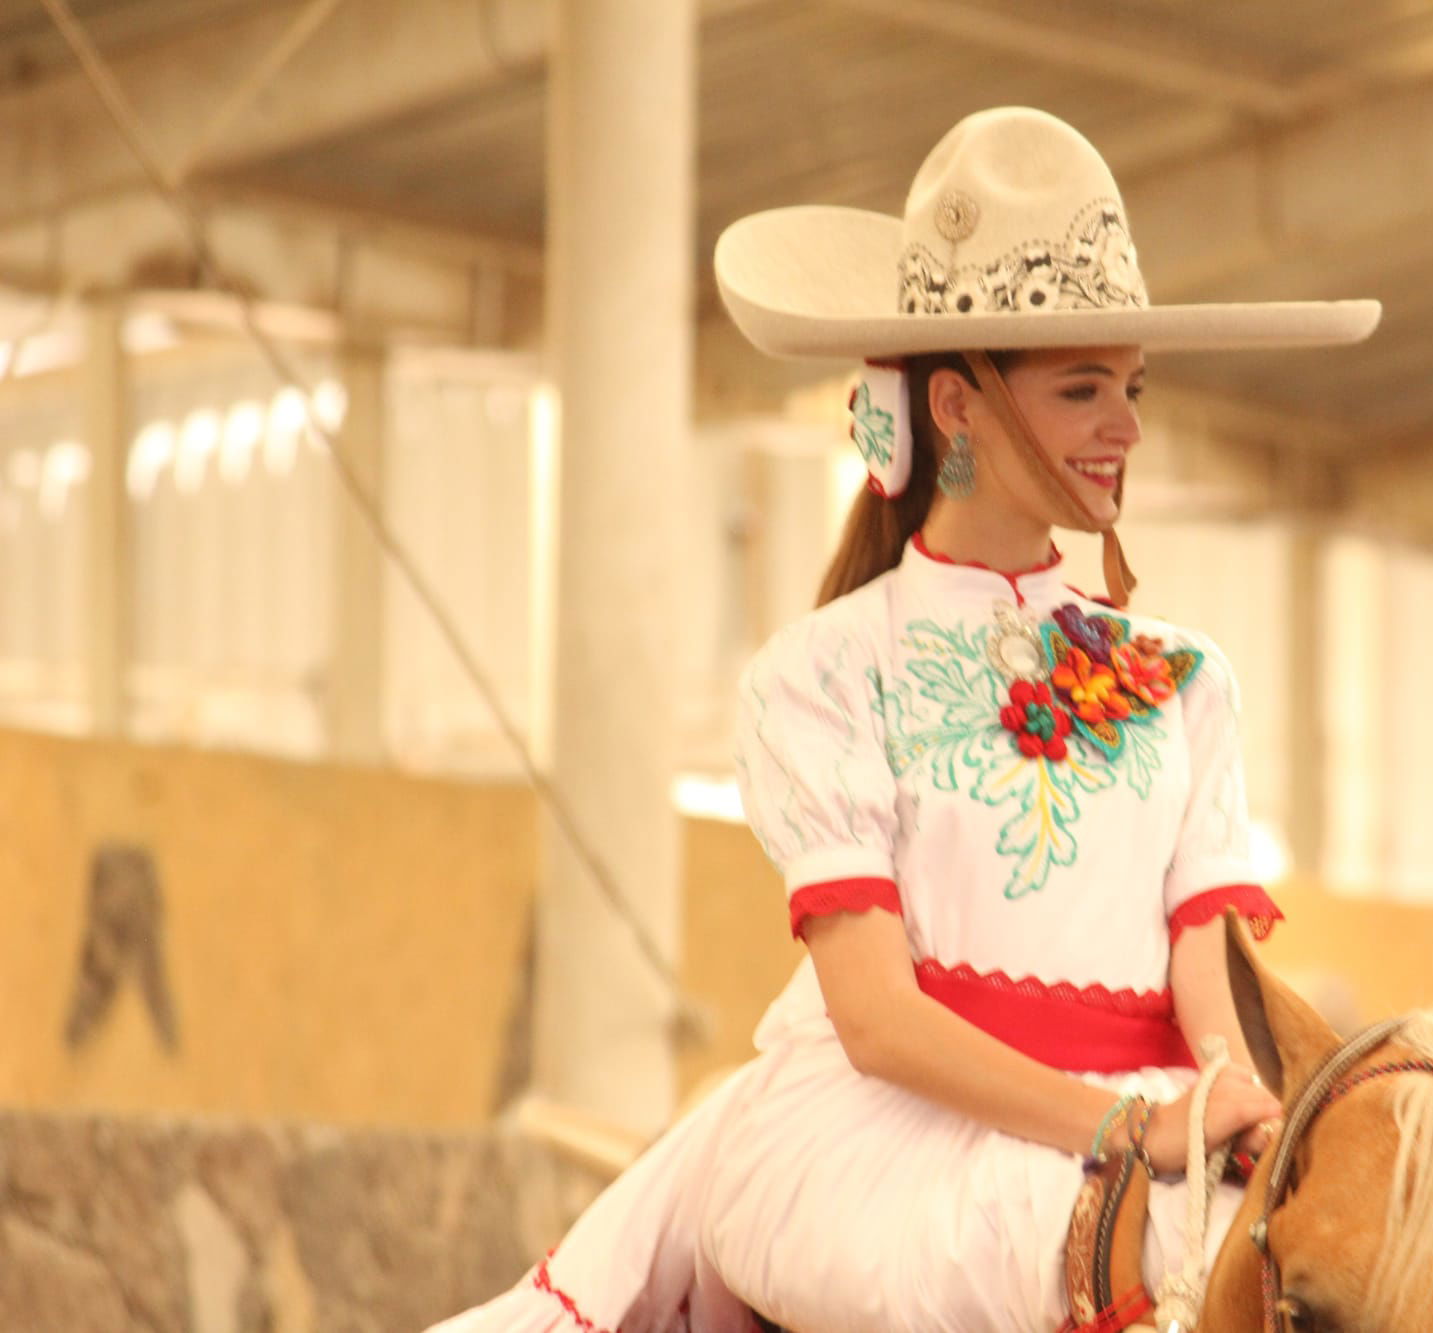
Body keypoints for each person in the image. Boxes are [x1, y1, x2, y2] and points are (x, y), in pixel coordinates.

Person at [432, 106, 1379, 1333]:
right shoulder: (822, 673)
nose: (1127, 428)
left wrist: (1225, 1097)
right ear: (956, 407)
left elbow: (1206, 953)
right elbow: (875, 1022)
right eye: (1084, 388)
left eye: (1132, 387)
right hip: (888, 1140)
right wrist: (1122, 1129)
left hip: (1147, 1123)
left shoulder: (1185, 679)